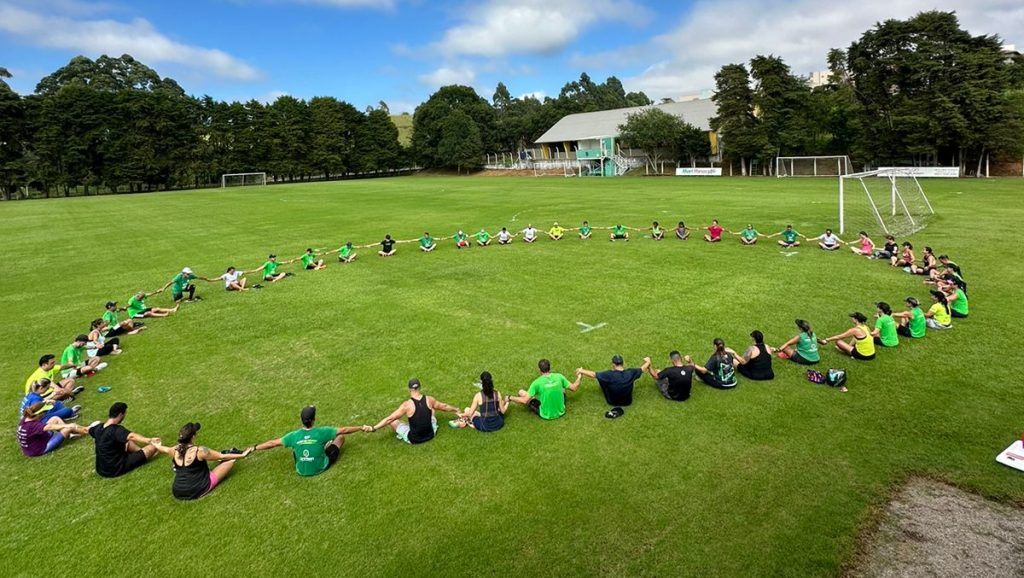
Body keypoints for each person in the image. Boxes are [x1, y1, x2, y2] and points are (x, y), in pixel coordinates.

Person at [252, 406, 365, 476]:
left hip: (301, 470)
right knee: (340, 438)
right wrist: (361, 427)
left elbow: (272, 443)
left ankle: (321, 448)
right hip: (320, 467)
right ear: (313, 420)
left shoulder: (293, 435)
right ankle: (324, 448)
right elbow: (344, 430)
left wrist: (255, 447)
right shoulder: (322, 432)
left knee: (295, 449)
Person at [152, 422, 252, 500]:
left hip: (177, 491)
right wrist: (242, 455)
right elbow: (222, 456)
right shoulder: (200, 451)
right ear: (193, 437)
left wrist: (156, 445)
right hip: (197, 490)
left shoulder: (174, 450)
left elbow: (163, 449)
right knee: (229, 463)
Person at [366, 379, 461, 444]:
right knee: (431, 409)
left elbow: (389, 419)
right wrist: (456, 409)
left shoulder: (406, 405)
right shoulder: (429, 399)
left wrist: (374, 428)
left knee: (394, 421)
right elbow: (443, 406)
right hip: (431, 434)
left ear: (409, 389)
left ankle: (403, 433)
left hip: (415, 439)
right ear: (420, 387)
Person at [89, 402, 161, 478]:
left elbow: (87, 430)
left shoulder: (98, 428)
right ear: (120, 415)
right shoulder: (115, 430)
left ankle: (139, 452)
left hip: (101, 469)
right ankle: (143, 454)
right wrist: (149, 440)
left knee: (125, 440)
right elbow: (132, 436)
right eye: (124, 414)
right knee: (152, 447)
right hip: (116, 468)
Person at [509, 359, 581, 420]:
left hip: (546, 414)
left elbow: (525, 400)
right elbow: (574, 388)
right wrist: (579, 377)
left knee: (521, 392)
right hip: (561, 411)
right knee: (563, 389)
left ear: (539, 370)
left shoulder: (536, 383)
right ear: (550, 367)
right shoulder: (559, 376)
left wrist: (510, 397)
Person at [17, 402, 91, 458]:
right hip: (40, 449)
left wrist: (46, 402)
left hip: (31, 448)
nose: (44, 414)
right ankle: (89, 430)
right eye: (44, 413)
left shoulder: (26, 419)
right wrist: (68, 425)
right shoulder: (33, 425)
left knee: (55, 418)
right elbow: (50, 427)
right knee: (68, 428)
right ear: (39, 414)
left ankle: (71, 435)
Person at [576, 355, 649, 407]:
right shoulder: (631, 372)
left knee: (601, 379)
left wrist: (581, 370)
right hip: (628, 402)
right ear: (623, 363)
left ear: (613, 364)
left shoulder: (608, 375)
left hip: (612, 402)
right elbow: (642, 369)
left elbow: (593, 375)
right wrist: (648, 361)